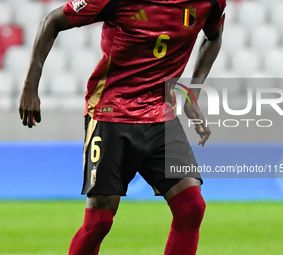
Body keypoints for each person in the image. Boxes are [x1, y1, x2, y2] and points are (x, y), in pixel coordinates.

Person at [18, 0, 225, 254]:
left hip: (161, 115)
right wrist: (30, 85)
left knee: (191, 207)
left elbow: (213, 37)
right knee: (99, 221)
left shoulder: (209, 2)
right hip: (111, 113)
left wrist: (193, 91)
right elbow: (52, 21)